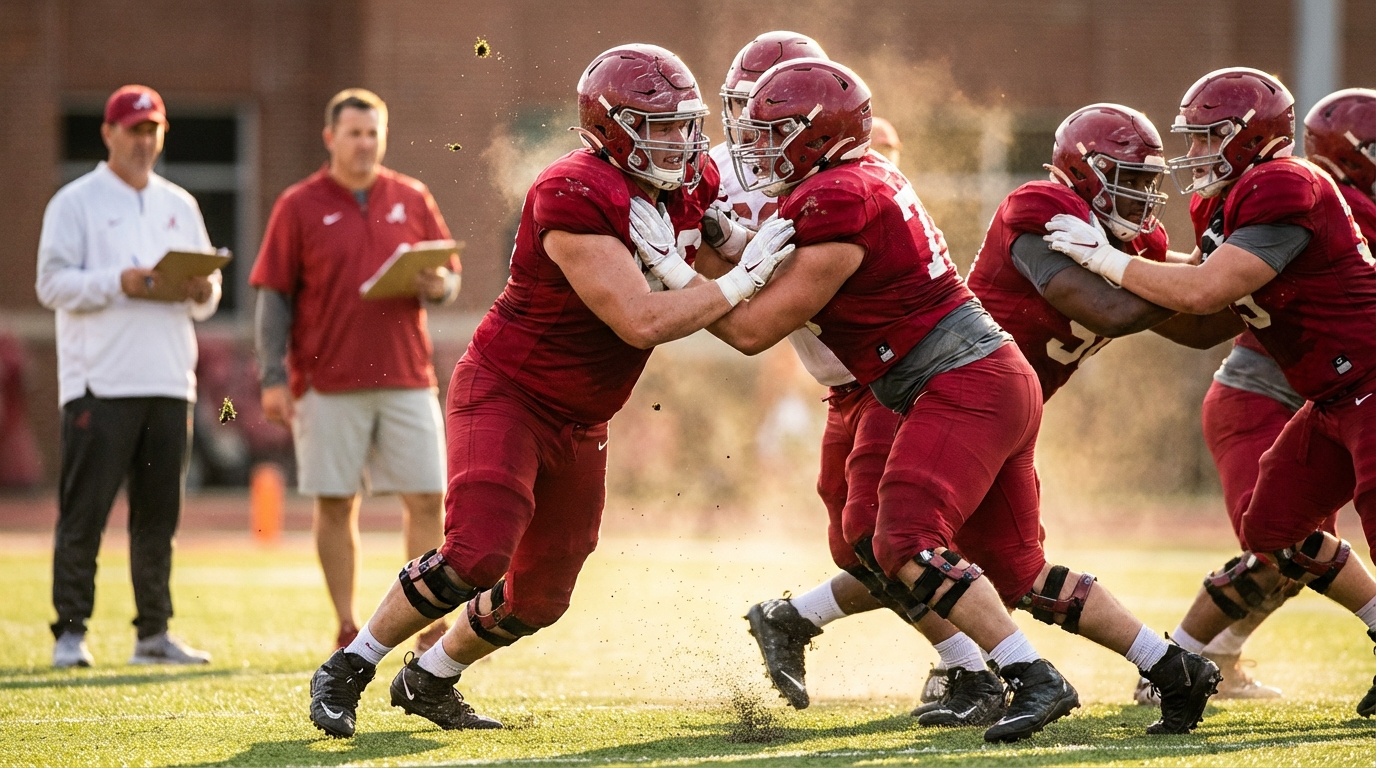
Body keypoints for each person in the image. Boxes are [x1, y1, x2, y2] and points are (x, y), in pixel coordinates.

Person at [643, 59, 1220, 742]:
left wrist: (671, 267)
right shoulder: (861, 180)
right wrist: (718, 239)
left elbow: (750, 329)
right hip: (989, 376)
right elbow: (776, 272)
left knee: (903, 541)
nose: (760, 148)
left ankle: (1025, 675)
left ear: (818, 134)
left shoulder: (837, 199)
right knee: (1016, 570)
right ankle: (1175, 667)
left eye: (776, 132)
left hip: (956, 382)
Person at [304, 44, 796, 739]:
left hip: (585, 416)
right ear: (610, 126)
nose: (678, 142)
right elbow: (640, 319)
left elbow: (739, 317)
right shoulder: (574, 191)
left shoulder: (686, 186)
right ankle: (350, 666)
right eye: (656, 126)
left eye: (683, 124)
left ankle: (432, 677)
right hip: (510, 393)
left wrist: (746, 248)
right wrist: (736, 278)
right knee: (476, 553)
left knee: (542, 595)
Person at [1044, 67, 1376, 718]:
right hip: (1331, 395)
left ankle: (1196, 652)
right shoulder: (1234, 195)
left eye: (1207, 139)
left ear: (1251, 137)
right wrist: (1118, 264)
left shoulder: (1286, 182)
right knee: (1273, 526)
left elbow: (1203, 294)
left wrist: (1107, 260)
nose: (1194, 154)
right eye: (1191, 140)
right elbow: (1202, 312)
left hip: (1368, 380)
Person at [706, 31, 1002, 725]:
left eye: (777, 113)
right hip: (842, 376)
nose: (757, 129)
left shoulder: (851, 165)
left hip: (901, 366)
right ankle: (806, 622)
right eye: (749, 110)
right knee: (859, 543)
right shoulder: (714, 173)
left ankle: (979, 667)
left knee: (900, 535)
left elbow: (831, 259)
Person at [250, 88, 460, 653]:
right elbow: (273, 297)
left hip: (406, 376)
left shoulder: (412, 196)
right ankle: (347, 623)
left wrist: (437, 285)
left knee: (425, 496)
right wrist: (272, 376)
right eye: (353, 133)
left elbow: (448, 277)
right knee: (337, 502)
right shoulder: (297, 204)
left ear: (383, 136)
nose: (364, 143)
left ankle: (425, 622)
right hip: (327, 380)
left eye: (373, 133)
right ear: (331, 139)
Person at [36, 84, 220, 668]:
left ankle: (153, 635)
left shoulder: (179, 203)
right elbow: (51, 284)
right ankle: (70, 634)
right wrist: (120, 280)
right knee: (85, 514)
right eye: (134, 129)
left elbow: (207, 299)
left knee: (158, 518)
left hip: (169, 380)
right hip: (101, 382)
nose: (144, 141)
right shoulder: (75, 202)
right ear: (109, 133)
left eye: (153, 130)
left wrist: (202, 288)